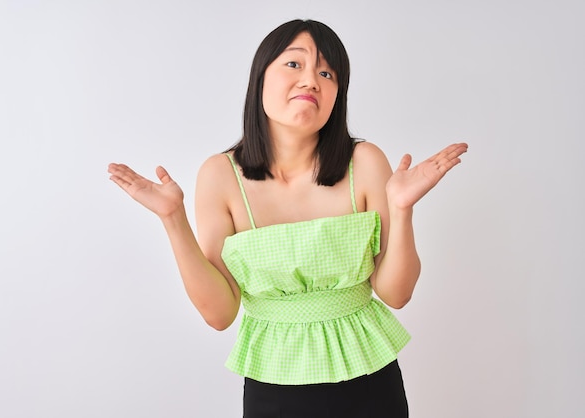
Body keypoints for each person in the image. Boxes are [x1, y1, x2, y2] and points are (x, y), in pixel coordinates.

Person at [108, 19, 467, 418]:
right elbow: (220, 314)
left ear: (337, 95)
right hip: (274, 387)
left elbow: (397, 294)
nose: (311, 80)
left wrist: (401, 210)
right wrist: (172, 217)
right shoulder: (220, 175)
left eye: (327, 73)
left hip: (370, 382)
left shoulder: (365, 163)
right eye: (294, 64)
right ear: (260, 78)